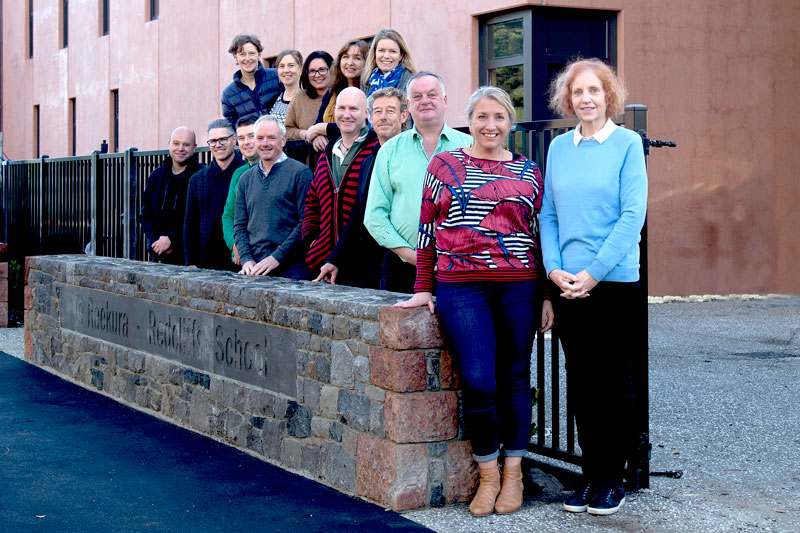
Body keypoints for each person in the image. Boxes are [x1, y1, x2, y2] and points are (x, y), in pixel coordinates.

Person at [395, 86, 554, 517]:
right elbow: (427, 229)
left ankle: (514, 473)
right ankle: (488, 474)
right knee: (479, 378)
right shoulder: (445, 165)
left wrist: (544, 295)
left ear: (510, 123)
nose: (491, 125)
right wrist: (423, 287)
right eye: (482, 117)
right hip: (461, 286)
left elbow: (541, 238)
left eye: (499, 117)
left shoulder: (529, 172)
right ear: (470, 121)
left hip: (519, 284)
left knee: (515, 377)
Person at [540, 58, 647, 516]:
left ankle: (611, 479)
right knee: (581, 383)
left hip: (612, 282)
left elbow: (632, 216)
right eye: (578, 92)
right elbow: (547, 214)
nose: (586, 99)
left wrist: (595, 273)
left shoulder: (626, 144)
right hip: (568, 285)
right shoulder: (559, 149)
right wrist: (554, 270)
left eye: (594, 91)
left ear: (609, 97)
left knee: (612, 383)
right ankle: (590, 475)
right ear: (569, 100)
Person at [364, 71, 472, 293]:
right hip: (402, 267)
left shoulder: (470, 147)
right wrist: (411, 255)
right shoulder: (390, 151)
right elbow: (374, 215)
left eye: (432, 95)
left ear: (444, 100)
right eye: (418, 96)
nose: (425, 101)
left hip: (460, 268)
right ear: (409, 105)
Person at [302, 87, 382, 288]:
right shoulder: (326, 154)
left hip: (362, 265)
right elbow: (312, 202)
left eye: (353, 109)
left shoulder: (376, 152)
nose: (346, 115)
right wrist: (310, 239)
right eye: (342, 108)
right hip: (322, 261)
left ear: (366, 114)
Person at [234, 115, 312, 280]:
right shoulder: (245, 179)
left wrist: (276, 258)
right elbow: (239, 226)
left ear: (283, 140)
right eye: (260, 138)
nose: (265, 143)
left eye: (271, 138)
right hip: (254, 269)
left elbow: (305, 223)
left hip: (292, 271)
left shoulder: (300, 173)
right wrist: (246, 259)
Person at [183, 119, 244, 270]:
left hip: (239, 261)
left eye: (223, 139)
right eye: (213, 141)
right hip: (206, 263)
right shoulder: (197, 180)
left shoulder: (246, 174)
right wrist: (191, 261)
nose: (218, 145)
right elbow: (190, 223)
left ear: (234, 139)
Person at [139, 126, 203, 265]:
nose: (181, 148)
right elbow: (145, 213)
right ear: (169, 144)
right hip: (159, 255)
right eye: (176, 143)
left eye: (186, 144)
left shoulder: (202, 177)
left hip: (190, 259)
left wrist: (171, 240)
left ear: (195, 147)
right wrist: (155, 242)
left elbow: (200, 217)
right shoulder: (156, 176)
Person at [304, 39, 368, 149]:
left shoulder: (369, 91)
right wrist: (318, 135)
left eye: (357, 58)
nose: (349, 62)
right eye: (345, 57)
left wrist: (321, 129)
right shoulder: (331, 92)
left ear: (366, 62)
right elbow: (317, 123)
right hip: (330, 154)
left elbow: (360, 125)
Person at [221, 117, 260, 266]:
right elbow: (228, 215)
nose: (247, 142)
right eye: (242, 138)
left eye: (252, 136)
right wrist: (235, 246)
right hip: (240, 258)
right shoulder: (238, 174)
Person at [220, 34, 282, 127]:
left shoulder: (277, 76)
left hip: (281, 138)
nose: (247, 58)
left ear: (259, 54)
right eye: (242, 54)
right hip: (250, 141)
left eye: (252, 53)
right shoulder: (228, 94)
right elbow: (232, 129)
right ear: (235, 57)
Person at [284, 51, 334, 148]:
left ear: (332, 70)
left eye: (322, 69)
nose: (317, 75)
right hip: (307, 160)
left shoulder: (341, 96)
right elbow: (286, 130)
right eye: (312, 71)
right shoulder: (300, 98)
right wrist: (308, 134)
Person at [362, 29, 417, 97]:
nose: (386, 56)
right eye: (381, 50)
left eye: (393, 51)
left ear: (401, 55)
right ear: (374, 53)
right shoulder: (366, 80)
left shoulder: (411, 82)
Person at [265, 49, 303, 124]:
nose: (286, 70)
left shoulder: (308, 98)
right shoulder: (274, 100)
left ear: (300, 69)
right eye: (281, 66)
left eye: (291, 65)